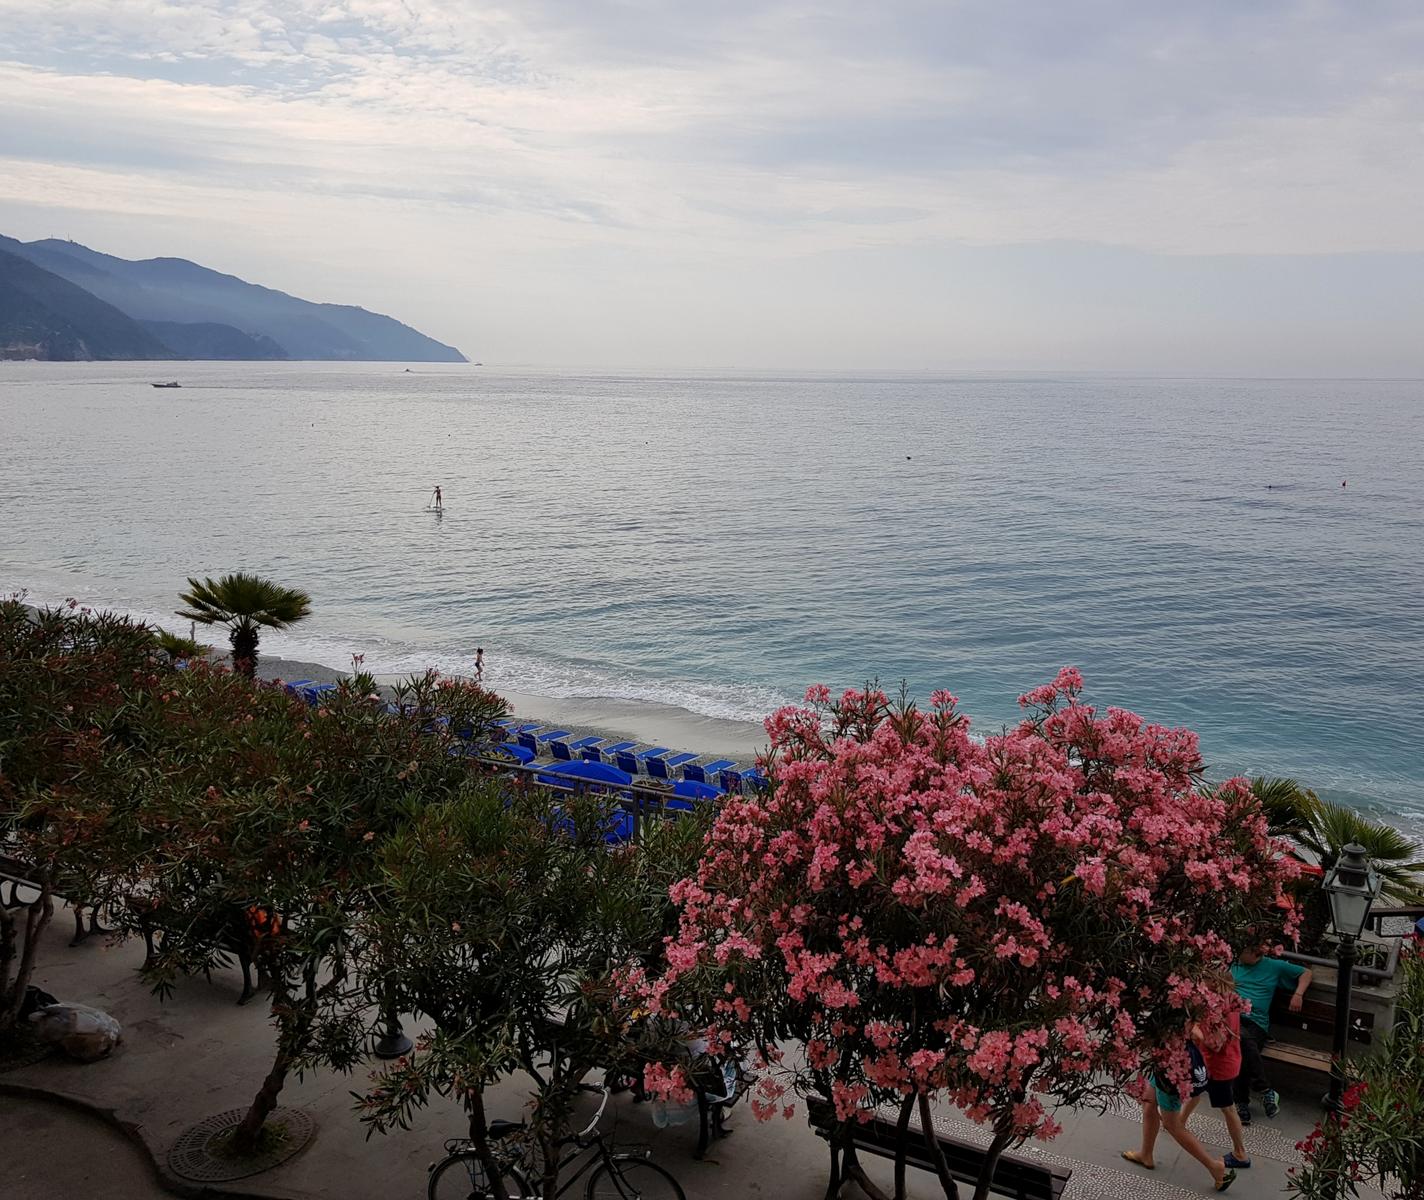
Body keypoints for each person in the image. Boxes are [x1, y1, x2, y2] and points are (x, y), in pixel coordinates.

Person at [1122, 1045, 1236, 1191]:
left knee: (1172, 1125)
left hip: (1173, 1069)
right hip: (1165, 1062)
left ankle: (1214, 1166)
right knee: (1148, 1102)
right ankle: (1146, 1154)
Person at [1232, 943, 1312, 1124]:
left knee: (1241, 1043)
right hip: (1233, 1017)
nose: (1238, 955)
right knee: (1241, 1041)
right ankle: (1265, 1090)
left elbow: (1306, 973)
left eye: (1242, 951)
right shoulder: (1234, 964)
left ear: (1254, 952)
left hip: (1256, 1023)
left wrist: (1298, 994)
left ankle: (1241, 1102)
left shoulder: (1274, 966)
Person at [1192, 973, 1251, 1170]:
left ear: (1215, 982)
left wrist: (1195, 1029)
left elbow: (1215, 1043)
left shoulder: (1218, 1007)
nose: (1200, 982)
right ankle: (1176, 1123)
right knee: (1195, 1091)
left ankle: (1240, 1153)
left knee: (1228, 1108)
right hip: (1227, 1061)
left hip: (1219, 1066)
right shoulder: (1231, 999)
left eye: (1204, 978)